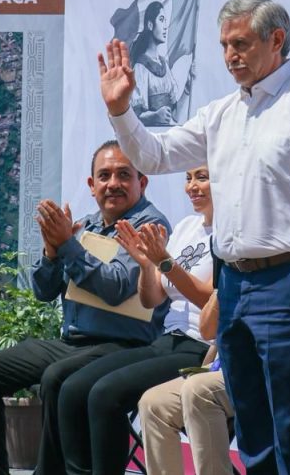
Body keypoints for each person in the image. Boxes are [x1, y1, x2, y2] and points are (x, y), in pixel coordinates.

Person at [98, 0, 290, 474]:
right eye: (223, 46)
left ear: (276, 40)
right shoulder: (221, 113)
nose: (230, 56)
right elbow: (155, 155)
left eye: (241, 43)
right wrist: (121, 111)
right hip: (234, 284)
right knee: (252, 426)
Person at [0, 141, 169, 475]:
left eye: (123, 175)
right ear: (91, 185)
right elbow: (43, 292)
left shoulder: (149, 225)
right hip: (72, 342)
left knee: (57, 377)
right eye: (104, 176)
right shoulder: (84, 226)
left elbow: (115, 288)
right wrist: (52, 251)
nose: (113, 183)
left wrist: (68, 245)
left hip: (124, 346)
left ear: (141, 183)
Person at [53, 165, 216, 475]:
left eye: (202, 178)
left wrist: (164, 262)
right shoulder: (187, 227)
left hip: (201, 347)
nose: (192, 187)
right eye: (188, 178)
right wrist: (145, 264)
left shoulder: (229, 237)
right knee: (73, 388)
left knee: (105, 394)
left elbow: (209, 303)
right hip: (167, 340)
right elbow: (152, 299)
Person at [137, 292, 290, 475]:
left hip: (286, 378)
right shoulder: (242, 268)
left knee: (200, 390)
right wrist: (223, 289)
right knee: (154, 403)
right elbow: (208, 330)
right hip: (229, 369)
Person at [129, 0, 193, 127]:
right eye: (161, 20)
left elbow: (175, 116)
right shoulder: (141, 67)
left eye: (165, 21)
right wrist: (155, 115)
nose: (165, 26)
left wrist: (187, 87)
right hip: (151, 136)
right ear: (150, 25)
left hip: (169, 134)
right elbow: (136, 116)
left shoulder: (164, 65)